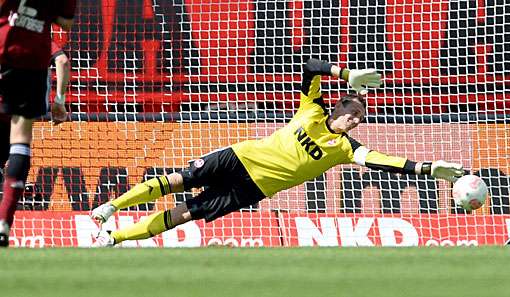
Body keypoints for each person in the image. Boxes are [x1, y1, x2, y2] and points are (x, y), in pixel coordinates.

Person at [91, 58, 464, 247]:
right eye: (352, 109)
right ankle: (112, 208)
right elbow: (309, 67)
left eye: (360, 117)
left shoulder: (345, 149)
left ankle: (115, 238)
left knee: (187, 212)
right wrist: (346, 74)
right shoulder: (312, 110)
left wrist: (428, 168)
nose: (355, 118)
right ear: (337, 107)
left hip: (253, 190)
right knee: (180, 179)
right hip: (240, 156)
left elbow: (386, 162)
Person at [0, 0, 76, 247]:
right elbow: (65, 30)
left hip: (3, 48)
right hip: (28, 65)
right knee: (20, 141)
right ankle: (3, 222)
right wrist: (60, 101)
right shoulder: (43, 40)